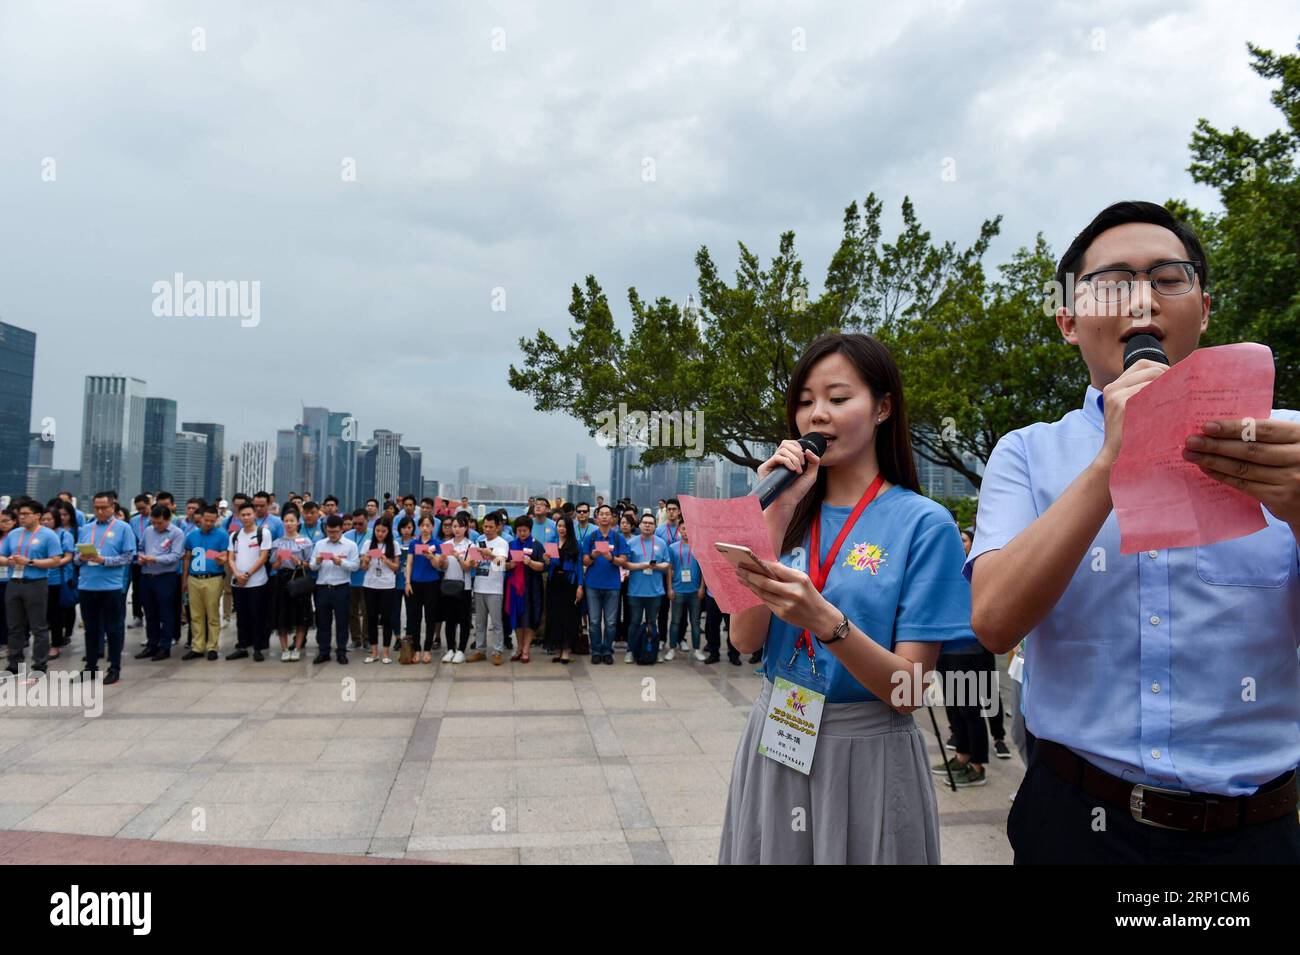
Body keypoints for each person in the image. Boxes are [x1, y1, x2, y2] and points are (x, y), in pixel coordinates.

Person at [968, 200, 1300, 863]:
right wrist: (1107, 466)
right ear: (1068, 320)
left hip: (1254, 831)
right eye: (1114, 282)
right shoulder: (1028, 454)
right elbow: (994, 620)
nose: (1142, 299)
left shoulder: (1285, 444)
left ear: (1203, 308)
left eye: (1167, 277)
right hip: (1078, 819)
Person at [719, 332, 973, 864]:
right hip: (778, 733)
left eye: (838, 398)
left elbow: (908, 691)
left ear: (882, 408)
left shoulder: (924, 525)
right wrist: (776, 511)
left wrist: (826, 622)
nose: (818, 415)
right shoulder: (783, 512)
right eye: (806, 402)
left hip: (868, 753)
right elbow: (744, 638)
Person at [74, 491, 138, 685]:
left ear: (113, 507)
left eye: (104, 508)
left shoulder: (123, 528)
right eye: (97, 508)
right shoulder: (86, 528)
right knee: (91, 629)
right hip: (87, 585)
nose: (100, 511)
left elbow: (128, 557)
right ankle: (90, 667)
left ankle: (114, 667)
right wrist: (81, 558)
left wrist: (104, 560)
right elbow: (76, 558)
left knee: (114, 628)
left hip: (111, 586)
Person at [0, 498, 65, 675]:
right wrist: (9, 561)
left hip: (36, 583)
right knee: (14, 626)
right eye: (20, 514)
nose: (22, 517)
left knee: (38, 626)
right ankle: (14, 663)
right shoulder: (14, 534)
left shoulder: (48, 535)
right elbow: (1, 556)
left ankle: (39, 664)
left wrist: (29, 562)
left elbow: (55, 560)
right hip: (14, 582)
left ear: (37, 515)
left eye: (26, 514)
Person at [134, 503, 185, 661]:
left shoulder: (177, 533)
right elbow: (141, 547)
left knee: (166, 613)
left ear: (168, 519)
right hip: (147, 576)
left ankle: (165, 646)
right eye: (154, 522)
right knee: (150, 613)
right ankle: (152, 644)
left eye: (160, 523)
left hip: (165, 577)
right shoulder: (149, 531)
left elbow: (175, 556)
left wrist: (155, 558)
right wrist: (141, 557)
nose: (156, 526)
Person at [581, 504, 629, 665]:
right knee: (594, 621)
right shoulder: (591, 537)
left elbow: (624, 560)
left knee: (610, 622)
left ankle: (607, 650)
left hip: (612, 585)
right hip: (593, 585)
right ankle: (596, 650)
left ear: (612, 518)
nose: (604, 517)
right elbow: (584, 560)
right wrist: (593, 556)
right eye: (601, 514)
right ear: (596, 517)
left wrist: (611, 558)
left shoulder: (618, 538)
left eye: (607, 514)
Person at [310, 515, 359, 664]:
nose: (332, 535)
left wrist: (341, 562)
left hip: (341, 587)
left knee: (342, 621)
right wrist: (317, 562)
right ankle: (324, 651)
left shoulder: (350, 545)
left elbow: (355, 566)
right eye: (330, 532)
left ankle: (341, 651)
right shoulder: (319, 544)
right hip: (323, 587)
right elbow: (312, 566)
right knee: (323, 622)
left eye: (335, 532)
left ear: (342, 529)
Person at [181, 504, 228, 660]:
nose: (208, 523)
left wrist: (222, 559)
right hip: (194, 578)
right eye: (205, 520)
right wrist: (185, 579)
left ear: (216, 520)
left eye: (211, 521)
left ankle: (212, 646)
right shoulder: (192, 536)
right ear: (200, 518)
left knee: (212, 613)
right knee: (196, 615)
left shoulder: (222, 536)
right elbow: (187, 558)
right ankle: (197, 646)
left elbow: (225, 556)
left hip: (213, 578)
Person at [227, 501, 272, 661]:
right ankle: (242, 646)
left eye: (249, 514)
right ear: (238, 517)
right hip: (238, 583)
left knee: (257, 616)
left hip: (257, 583)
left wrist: (246, 574)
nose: (246, 518)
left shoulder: (263, 533)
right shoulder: (235, 535)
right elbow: (231, 558)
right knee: (241, 616)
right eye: (243, 515)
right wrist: (237, 574)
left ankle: (258, 648)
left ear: (254, 515)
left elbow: (263, 556)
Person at [624, 512, 669, 664]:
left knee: (653, 622)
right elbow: (625, 564)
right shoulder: (631, 543)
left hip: (655, 591)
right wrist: (642, 565)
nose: (648, 525)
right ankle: (631, 650)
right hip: (635, 591)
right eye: (645, 523)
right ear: (640, 525)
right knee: (634, 622)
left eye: (651, 523)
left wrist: (655, 566)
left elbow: (667, 565)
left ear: (655, 526)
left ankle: (653, 650)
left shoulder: (662, 543)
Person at [269, 508, 313, 661]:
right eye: (286, 521)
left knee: (300, 613)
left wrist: (299, 562)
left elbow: (310, 563)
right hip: (281, 579)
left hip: (298, 578)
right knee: (282, 613)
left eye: (292, 521)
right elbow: (273, 566)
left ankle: (297, 647)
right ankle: (284, 648)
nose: (289, 524)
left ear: (298, 523)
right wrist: (280, 561)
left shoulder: (305, 542)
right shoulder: (277, 543)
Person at [465, 512, 509, 665]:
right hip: (479, 586)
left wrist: (490, 555)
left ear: (498, 527)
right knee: (480, 622)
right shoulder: (479, 541)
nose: (487, 529)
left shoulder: (502, 543)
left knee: (496, 622)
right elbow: (474, 562)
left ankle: (497, 651)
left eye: (491, 526)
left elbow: (501, 564)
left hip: (495, 588)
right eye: (485, 526)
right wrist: (473, 562)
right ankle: (480, 650)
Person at [506, 516, 547, 663]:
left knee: (530, 618)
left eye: (525, 530)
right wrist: (509, 565)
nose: (522, 533)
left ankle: (526, 649)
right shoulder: (511, 545)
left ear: (530, 530)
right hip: (514, 588)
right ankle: (519, 647)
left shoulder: (537, 546)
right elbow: (503, 565)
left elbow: (543, 566)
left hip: (531, 588)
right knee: (516, 618)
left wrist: (530, 562)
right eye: (519, 530)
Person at [360, 518, 400, 664]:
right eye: (377, 531)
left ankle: (386, 652)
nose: (380, 534)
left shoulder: (394, 545)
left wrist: (385, 560)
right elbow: (363, 568)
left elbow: (396, 567)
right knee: (371, 618)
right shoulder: (367, 544)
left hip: (387, 585)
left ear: (388, 532)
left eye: (383, 531)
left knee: (387, 619)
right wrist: (366, 559)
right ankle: (374, 651)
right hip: (370, 584)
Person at [406, 515, 445, 664]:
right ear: (419, 527)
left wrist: (431, 556)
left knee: (430, 618)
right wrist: (408, 582)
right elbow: (409, 563)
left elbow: (438, 566)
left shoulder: (437, 544)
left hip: (432, 583)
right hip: (415, 583)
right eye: (423, 525)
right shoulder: (413, 543)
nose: (425, 528)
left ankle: (427, 649)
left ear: (433, 527)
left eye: (428, 525)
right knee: (415, 618)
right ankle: (416, 649)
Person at [546, 515, 584, 663]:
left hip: (570, 583)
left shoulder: (576, 544)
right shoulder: (552, 542)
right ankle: (556, 648)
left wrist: (580, 585)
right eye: (559, 526)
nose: (561, 529)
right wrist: (547, 560)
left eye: (564, 526)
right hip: (554, 582)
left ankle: (566, 649)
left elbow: (579, 566)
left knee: (569, 616)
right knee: (554, 615)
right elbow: (549, 565)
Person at [43, 502, 77, 660]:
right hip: (40, 578)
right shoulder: (39, 534)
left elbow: (69, 557)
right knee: (43, 614)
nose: (45, 522)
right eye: (43, 519)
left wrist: (53, 563)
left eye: (49, 519)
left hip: (57, 579)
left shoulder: (65, 535)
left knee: (56, 613)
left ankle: (56, 643)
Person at [438, 514, 474, 663]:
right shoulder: (446, 544)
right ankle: (450, 649)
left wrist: (457, 556)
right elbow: (443, 567)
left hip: (464, 587)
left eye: (460, 526)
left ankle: (461, 650)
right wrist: (442, 560)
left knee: (464, 620)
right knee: (450, 620)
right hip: (448, 586)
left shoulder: (471, 545)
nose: (456, 529)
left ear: (466, 528)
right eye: (454, 526)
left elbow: (468, 566)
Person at [667, 520, 703, 661]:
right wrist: (669, 588)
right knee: (675, 621)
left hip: (694, 591)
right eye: (683, 529)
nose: (686, 532)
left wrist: (702, 588)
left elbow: (703, 570)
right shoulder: (673, 548)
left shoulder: (698, 547)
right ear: (679, 531)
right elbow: (669, 569)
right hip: (678, 590)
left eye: (688, 529)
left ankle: (697, 649)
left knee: (695, 622)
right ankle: (672, 648)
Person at [345, 511, 370, 650]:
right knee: (351, 611)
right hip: (350, 579)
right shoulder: (347, 535)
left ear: (367, 521)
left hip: (367, 579)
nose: (357, 526)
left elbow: (378, 553)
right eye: (355, 524)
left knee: (367, 611)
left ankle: (367, 638)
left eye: (361, 523)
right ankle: (355, 638)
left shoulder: (373, 534)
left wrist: (365, 557)